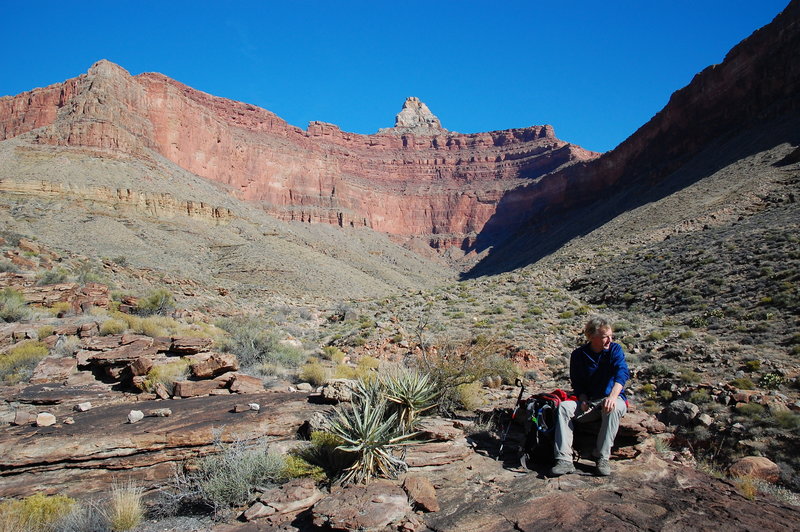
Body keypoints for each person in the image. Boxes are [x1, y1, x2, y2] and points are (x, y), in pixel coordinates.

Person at [550, 316, 629, 477]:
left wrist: (613, 397)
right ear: (592, 337)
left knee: (612, 409)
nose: (609, 340)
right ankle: (564, 459)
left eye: (611, 336)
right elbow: (578, 383)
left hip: (613, 397)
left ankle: (602, 458)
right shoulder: (579, 355)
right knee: (564, 408)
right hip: (591, 401)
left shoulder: (615, 350)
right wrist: (583, 398)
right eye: (605, 336)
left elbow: (622, 373)